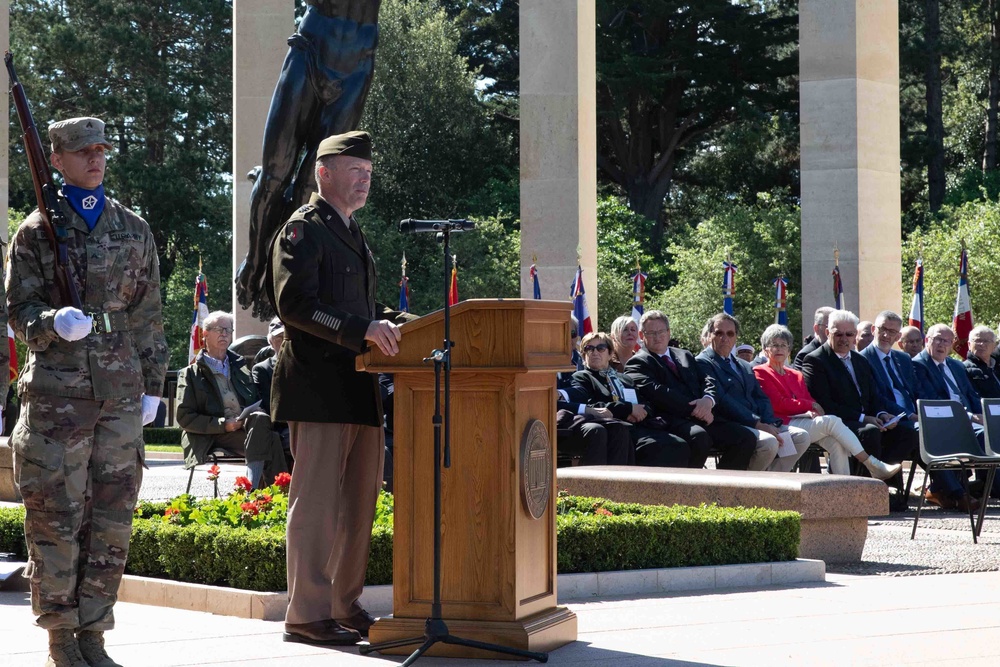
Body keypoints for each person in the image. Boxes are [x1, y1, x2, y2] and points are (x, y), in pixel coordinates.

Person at [7, 117, 167, 667]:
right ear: (57, 158)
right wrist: (52, 321)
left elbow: (149, 315)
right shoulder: (34, 231)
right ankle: (60, 637)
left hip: (121, 395)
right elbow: (17, 314)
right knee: (57, 521)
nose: (95, 159)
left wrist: (155, 386)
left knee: (112, 521)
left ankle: (95, 636)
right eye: (82, 151)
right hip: (58, 402)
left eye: (100, 149)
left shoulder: (132, 227)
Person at [268, 130, 404, 647]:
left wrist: (410, 324)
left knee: (357, 506)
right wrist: (360, 330)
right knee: (319, 505)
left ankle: (343, 605)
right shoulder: (304, 230)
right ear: (324, 173)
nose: (365, 178)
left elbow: (367, 312)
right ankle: (306, 613)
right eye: (355, 170)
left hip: (358, 391)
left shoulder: (352, 231)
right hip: (319, 389)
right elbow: (295, 306)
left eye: (368, 171)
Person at [236, 0, 382, 317]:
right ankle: (256, 261)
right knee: (275, 175)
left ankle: (279, 273)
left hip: (357, 62)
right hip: (311, 45)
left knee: (310, 186)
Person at [753, 324, 901, 480]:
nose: (779, 349)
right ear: (765, 349)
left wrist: (812, 409)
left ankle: (843, 490)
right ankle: (871, 463)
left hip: (804, 420)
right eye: (774, 345)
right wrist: (809, 406)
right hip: (782, 423)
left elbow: (808, 398)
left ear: (789, 350)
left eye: (783, 345)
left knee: (836, 443)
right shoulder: (760, 372)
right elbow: (778, 403)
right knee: (832, 421)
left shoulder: (795, 374)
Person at [800, 310, 919, 491]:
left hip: (866, 418)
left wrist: (882, 414)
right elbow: (825, 404)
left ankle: (881, 483)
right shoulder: (815, 360)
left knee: (907, 433)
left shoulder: (859, 360)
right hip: (840, 420)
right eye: (838, 334)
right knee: (871, 432)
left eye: (849, 334)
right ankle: (864, 489)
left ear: (855, 335)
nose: (844, 339)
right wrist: (865, 418)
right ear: (827, 333)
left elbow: (873, 395)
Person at [624, 311, 756, 470]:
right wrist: (697, 409)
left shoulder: (684, 354)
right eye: (651, 333)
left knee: (745, 438)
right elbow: (660, 394)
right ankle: (690, 490)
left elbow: (708, 379)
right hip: (671, 419)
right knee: (699, 437)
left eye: (661, 332)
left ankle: (721, 489)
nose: (657, 337)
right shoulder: (637, 363)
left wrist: (708, 400)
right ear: (641, 335)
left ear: (668, 332)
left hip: (703, 414)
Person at [176, 311, 289, 489]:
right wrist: (223, 424)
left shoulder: (240, 367)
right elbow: (184, 418)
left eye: (228, 330)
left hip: (243, 428)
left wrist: (247, 415)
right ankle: (267, 495)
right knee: (272, 439)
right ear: (205, 334)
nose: (225, 334)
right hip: (210, 435)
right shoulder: (190, 374)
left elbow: (255, 400)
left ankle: (260, 496)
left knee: (261, 420)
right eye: (219, 329)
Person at [696, 314, 810, 472]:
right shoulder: (703, 362)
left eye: (730, 334)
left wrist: (769, 422)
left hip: (759, 422)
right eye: (719, 333)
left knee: (800, 437)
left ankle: (774, 481)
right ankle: (751, 487)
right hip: (731, 424)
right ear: (710, 335)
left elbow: (760, 397)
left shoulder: (743, 365)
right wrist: (757, 424)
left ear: (736, 337)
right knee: (769, 443)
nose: (724, 338)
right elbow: (723, 400)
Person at [573, 332, 705, 467]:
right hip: (613, 429)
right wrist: (628, 410)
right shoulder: (582, 377)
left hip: (638, 426)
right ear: (583, 355)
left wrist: (642, 411)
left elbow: (645, 402)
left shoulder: (624, 378)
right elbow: (590, 405)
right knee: (660, 448)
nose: (595, 352)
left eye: (600, 348)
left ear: (610, 353)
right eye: (589, 349)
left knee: (679, 444)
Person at [912, 323, 998, 508]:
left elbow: (971, 396)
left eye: (947, 341)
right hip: (940, 421)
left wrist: (984, 415)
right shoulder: (919, 365)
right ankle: (959, 494)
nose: (942, 344)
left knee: (992, 432)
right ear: (927, 340)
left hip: (968, 420)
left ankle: (991, 487)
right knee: (983, 435)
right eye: (938, 339)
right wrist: (968, 416)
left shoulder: (956, 366)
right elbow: (930, 399)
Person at [252, 316, 291, 466]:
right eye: (278, 337)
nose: (282, 341)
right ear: (270, 341)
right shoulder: (262, 369)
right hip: (280, 427)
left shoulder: (304, 368)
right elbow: (267, 404)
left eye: (285, 336)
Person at [963, 325, 1000, 399]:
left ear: (994, 346)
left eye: (986, 341)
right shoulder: (963, 369)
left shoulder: (997, 367)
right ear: (969, 345)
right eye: (977, 341)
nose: (982, 344)